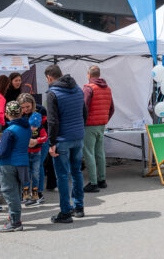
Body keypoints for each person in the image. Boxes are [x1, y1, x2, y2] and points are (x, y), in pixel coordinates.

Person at [44, 65, 87, 224]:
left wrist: (51, 142)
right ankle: (79, 207)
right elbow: (84, 113)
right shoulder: (78, 89)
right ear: (61, 74)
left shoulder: (52, 93)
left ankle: (65, 211)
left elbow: (52, 121)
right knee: (76, 172)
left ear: (49, 78)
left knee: (62, 175)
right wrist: (80, 130)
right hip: (78, 136)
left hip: (62, 139)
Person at [0, 101, 31, 232]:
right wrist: (2, 144)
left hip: (9, 164)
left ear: (7, 115)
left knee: (10, 192)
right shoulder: (26, 127)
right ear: (21, 112)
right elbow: (17, 144)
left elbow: (3, 152)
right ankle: (14, 218)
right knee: (16, 192)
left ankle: (15, 222)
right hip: (22, 162)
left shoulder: (9, 131)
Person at [82, 65, 114, 193]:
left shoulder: (88, 88)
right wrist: (104, 120)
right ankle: (102, 180)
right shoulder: (107, 89)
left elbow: (84, 107)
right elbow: (112, 109)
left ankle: (93, 183)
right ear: (99, 75)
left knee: (89, 153)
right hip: (101, 125)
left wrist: (82, 122)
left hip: (89, 125)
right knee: (100, 153)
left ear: (89, 75)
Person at [19, 94, 48, 205]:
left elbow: (46, 129)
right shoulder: (19, 113)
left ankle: (38, 193)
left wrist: (37, 140)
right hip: (25, 145)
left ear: (33, 104)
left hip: (40, 143)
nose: (25, 110)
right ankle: (25, 192)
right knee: (26, 169)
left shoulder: (40, 110)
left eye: (28, 107)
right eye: (23, 107)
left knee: (38, 167)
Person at [24, 111, 47, 206]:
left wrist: (37, 140)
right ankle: (25, 193)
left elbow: (45, 137)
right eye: (31, 126)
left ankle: (35, 193)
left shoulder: (41, 129)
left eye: (34, 127)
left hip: (37, 154)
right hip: (27, 153)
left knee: (36, 174)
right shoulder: (26, 128)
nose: (32, 128)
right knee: (26, 173)